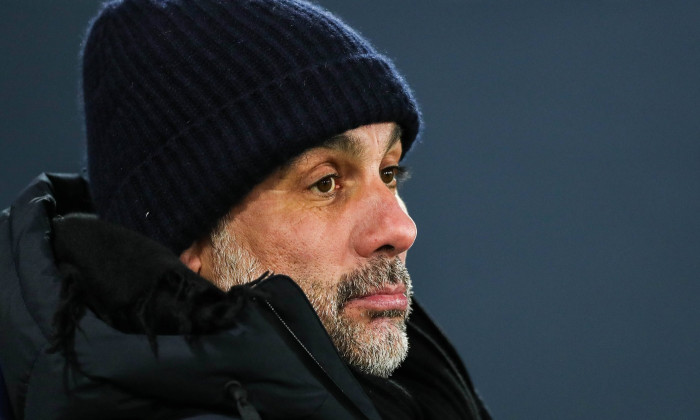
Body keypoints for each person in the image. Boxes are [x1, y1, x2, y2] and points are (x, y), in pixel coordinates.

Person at [0, 0, 491, 419]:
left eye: (389, 172)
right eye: (325, 182)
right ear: (186, 243)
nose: (400, 228)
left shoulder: (426, 396)